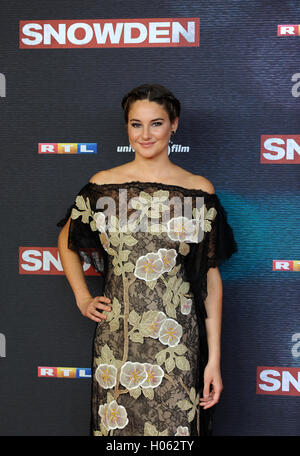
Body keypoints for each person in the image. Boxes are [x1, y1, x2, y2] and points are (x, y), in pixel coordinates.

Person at [57, 83, 238, 436]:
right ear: (126, 128)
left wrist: (213, 358)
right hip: (118, 341)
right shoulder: (104, 187)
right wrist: (82, 297)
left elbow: (209, 279)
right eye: (136, 124)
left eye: (156, 123)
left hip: (177, 344)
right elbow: (67, 242)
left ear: (174, 125)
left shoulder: (198, 191)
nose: (145, 134)